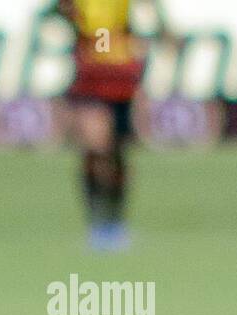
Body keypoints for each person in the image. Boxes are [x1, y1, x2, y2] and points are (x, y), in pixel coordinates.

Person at [54, 0, 181, 251]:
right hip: (91, 73)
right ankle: (96, 223)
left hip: (123, 73)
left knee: (117, 150)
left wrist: (162, 31)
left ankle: (116, 222)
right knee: (96, 145)